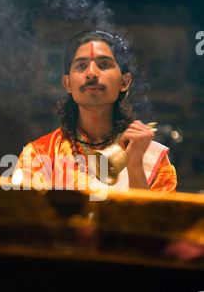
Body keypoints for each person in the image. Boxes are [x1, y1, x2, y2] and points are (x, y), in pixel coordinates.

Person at [12, 30, 177, 195]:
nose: (91, 73)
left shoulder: (151, 158)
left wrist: (134, 164)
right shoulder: (40, 153)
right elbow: (24, 217)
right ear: (67, 83)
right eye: (81, 66)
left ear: (124, 82)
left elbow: (158, 220)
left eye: (104, 64)